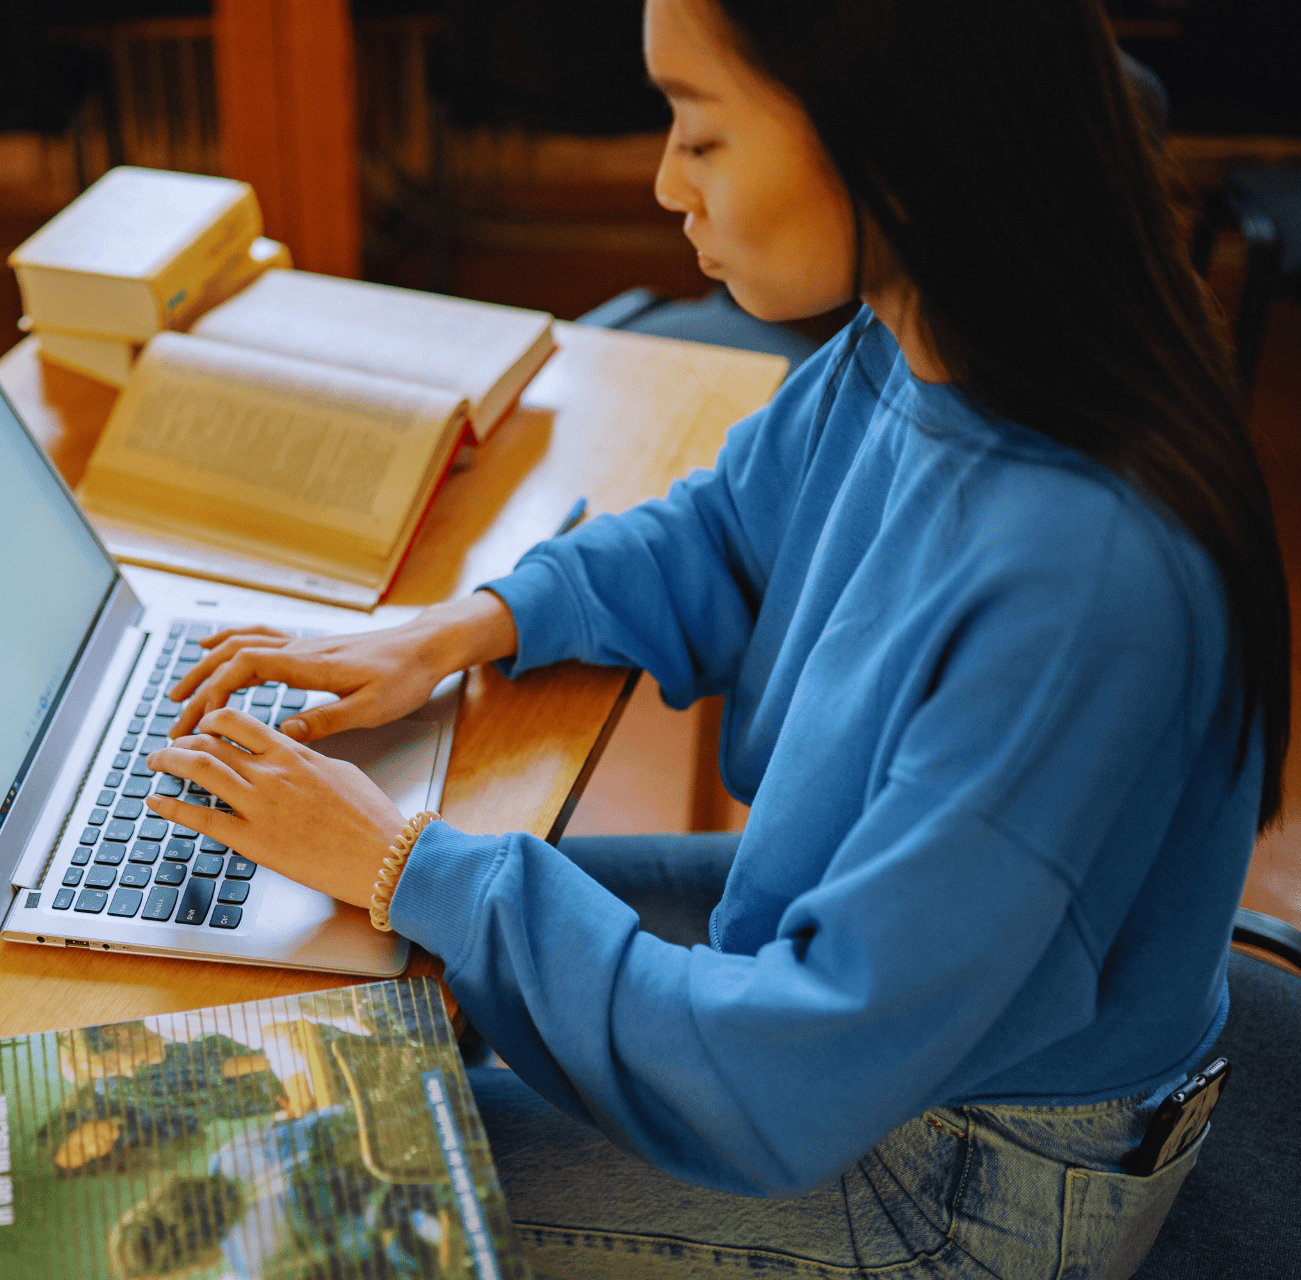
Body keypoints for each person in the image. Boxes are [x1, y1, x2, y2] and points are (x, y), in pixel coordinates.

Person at [144, 0, 1290, 1275]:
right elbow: (733, 536)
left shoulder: (1083, 582)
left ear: (891, 148)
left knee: (299, 1197)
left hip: (962, 1175)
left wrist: (407, 860)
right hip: (846, 1010)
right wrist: (467, 627)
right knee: (363, 955)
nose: (662, 182)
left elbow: (787, 1076)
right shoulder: (936, 332)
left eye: (700, 134)